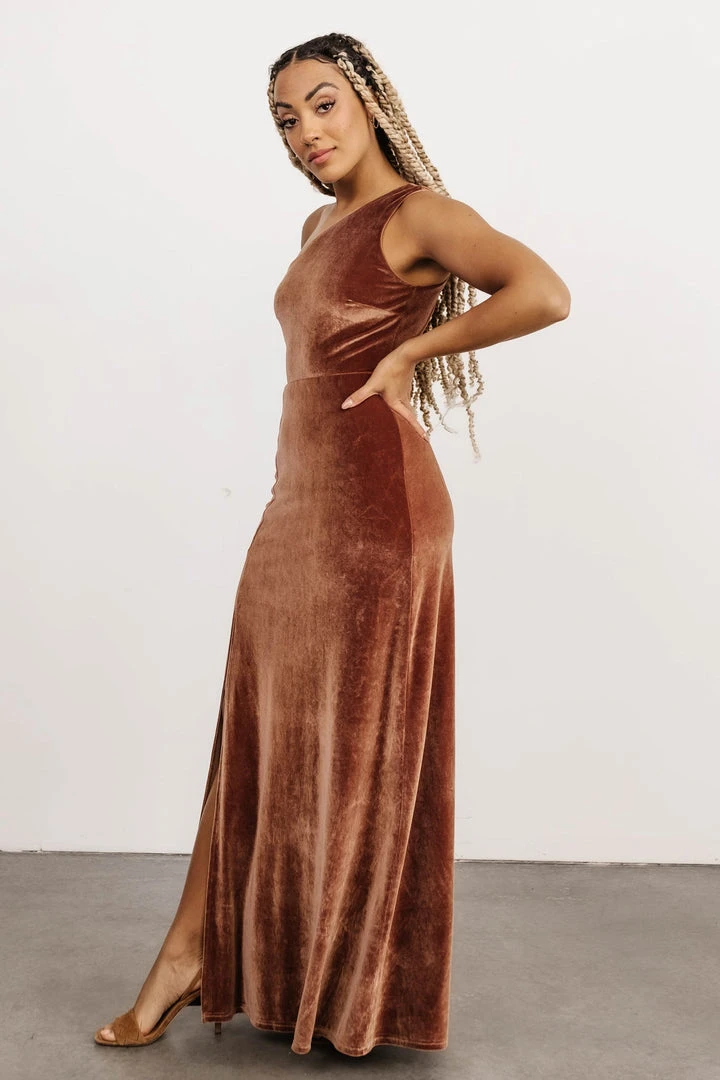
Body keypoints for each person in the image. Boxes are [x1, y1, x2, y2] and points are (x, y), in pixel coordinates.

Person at [94, 31, 570, 1056]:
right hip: (301, 503)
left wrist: (413, 349)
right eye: (285, 119)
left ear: (369, 101)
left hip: (378, 510)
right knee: (261, 726)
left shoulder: (419, 213)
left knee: (350, 742)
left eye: (321, 104)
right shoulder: (319, 223)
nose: (305, 131)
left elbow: (543, 291)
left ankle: (224, 965)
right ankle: (214, 954)